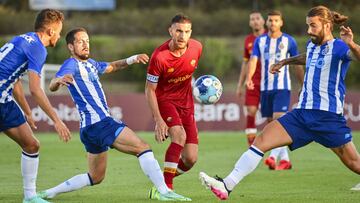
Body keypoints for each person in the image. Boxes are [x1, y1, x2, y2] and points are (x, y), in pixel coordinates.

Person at [199, 5, 360, 200]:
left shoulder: (340, 47)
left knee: (354, 164)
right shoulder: (312, 45)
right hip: (301, 115)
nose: (309, 30)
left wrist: (352, 44)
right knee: (261, 140)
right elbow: (307, 57)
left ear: (327, 25)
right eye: (308, 25)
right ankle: (227, 185)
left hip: (328, 118)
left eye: (313, 26)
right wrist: (286, 61)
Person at [37, 28, 191, 202]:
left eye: (87, 40)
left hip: (88, 129)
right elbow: (52, 84)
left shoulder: (92, 64)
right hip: (100, 122)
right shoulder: (71, 64)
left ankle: (48, 193)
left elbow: (113, 66)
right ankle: (164, 192)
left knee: (96, 177)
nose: (86, 44)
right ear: (71, 47)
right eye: (81, 41)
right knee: (143, 147)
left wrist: (132, 59)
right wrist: (57, 81)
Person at [0, 9, 71, 203]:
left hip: (4, 100)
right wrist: (56, 120)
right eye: (59, 31)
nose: (59, 35)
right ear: (50, 31)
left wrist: (27, 111)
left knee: (31, 145)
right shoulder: (39, 48)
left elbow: (14, 80)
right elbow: (36, 89)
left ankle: (30, 197)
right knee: (31, 145)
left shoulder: (21, 39)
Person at [145, 14, 202, 192]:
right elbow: (149, 90)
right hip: (165, 101)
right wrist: (158, 119)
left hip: (187, 104)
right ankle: (166, 190)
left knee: (190, 159)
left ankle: (162, 181)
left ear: (190, 32)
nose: (182, 36)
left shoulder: (197, 48)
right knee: (179, 136)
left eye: (186, 32)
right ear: (170, 31)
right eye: (178, 31)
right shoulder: (159, 57)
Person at [246, 10, 304, 170]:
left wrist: (302, 84)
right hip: (266, 89)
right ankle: (285, 160)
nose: (273, 23)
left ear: (281, 22)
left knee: (279, 120)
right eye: (270, 20)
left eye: (276, 20)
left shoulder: (289, 41)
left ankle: (272, 157)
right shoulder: (260, 41)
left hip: (282, 88)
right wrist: (249, 78)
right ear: (267, 22)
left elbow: (298, 64)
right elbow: (253, 60)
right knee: (272, 125)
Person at [236, 11, 266, 146]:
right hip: (252, 81)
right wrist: (240, 84)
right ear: (250, 23)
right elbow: (245, 63)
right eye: (252, 19)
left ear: (263, 21)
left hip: (269, 82)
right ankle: (251, 146)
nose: (255, 21)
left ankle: (277, 151)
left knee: (272, 117)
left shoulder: (270, 37)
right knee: (251, 111)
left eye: (257, 18)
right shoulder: (248, 40)